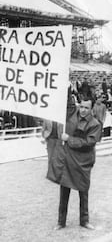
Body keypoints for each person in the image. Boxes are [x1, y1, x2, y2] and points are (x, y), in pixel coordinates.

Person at [54, 96, 101, 230]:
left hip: (84, 161)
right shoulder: (72, 117)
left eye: (86, 108)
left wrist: (69, 139)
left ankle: (84, 220)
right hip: (69, 159)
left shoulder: (95, 124)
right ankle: (61, 221)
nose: (83, 110)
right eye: (81, 107)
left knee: (83, 191)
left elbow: (88, 143)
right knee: (64, 190)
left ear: (92, 109)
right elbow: (67, 104)